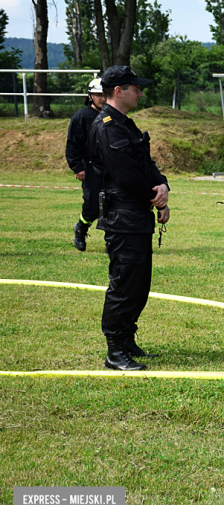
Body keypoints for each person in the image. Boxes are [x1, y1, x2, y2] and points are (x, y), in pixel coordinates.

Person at [89, 65, 170, 371]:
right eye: (134, 87)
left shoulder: (126, 125)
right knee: (123, 284)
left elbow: (146, 163)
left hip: (137, 215)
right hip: (122, 216)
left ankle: (126, 339)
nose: (140, 91)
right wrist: (155, 194)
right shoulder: (107, 127)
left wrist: (163, 186)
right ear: (118, 91)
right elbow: (125, 174)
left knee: (139, 284)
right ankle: (114, 351)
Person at [66, 78, 106, 251]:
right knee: (92, 207)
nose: (102, 98)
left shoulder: (113, 115)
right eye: (98, 95)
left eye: (105, 95)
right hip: (90, 167)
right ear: (90, 96)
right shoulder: (81, 117)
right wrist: (77, 167)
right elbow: (72, 143)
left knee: (112, 205)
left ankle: (111, 241)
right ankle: (81, 228)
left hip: (111, 168)